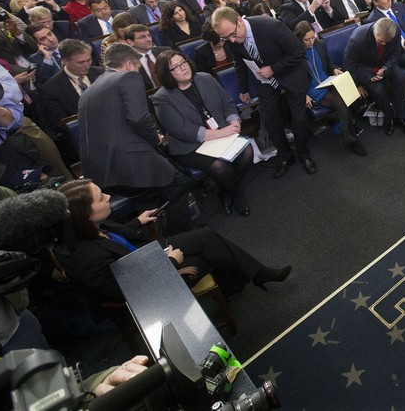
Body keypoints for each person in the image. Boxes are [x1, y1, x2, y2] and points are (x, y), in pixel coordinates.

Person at [57, 179, 291, 303]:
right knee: (203, 255)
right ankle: (245, 280)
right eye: (101, 198)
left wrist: (137, 222)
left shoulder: (93, 225)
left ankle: (251, 277)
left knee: (207, 236)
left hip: (148, 256)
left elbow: (114, 240)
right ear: (85, 214)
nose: (108, 197)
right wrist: (169, 262)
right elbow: (130, 292)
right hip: (152, 281)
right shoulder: (86, 258)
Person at [77, 44, 194, 236]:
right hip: (129, 163)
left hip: (102, 173)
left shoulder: (91, 88)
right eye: (138, 67)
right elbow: (139, 118)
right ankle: (182, 237)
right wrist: (155, 139)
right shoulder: (127, 77)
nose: (138, 71)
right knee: (179, 182)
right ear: (130, 64)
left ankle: (155, 237)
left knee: (150, 193)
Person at [210, 7, 316, 178]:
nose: (232, 40)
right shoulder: (231, 37)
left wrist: (273, 69)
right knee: (268, 118)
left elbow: (298, 51)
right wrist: (243, 89)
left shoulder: (270, 26)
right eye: (226, 37)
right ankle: (285, 156)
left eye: (233, 34)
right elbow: (239, 62)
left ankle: (304, 154)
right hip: (264, 80)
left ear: (239, 21)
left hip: (290, 73)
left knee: (299, 118)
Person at [152, 51, 254, 215]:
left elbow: (227, 103)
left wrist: (234, 120)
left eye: (183, 62)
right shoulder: (162, 98)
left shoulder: (205, 78)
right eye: (176, 67)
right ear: (166, 74)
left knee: (248, 153)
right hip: (190, 145)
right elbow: (181, 129)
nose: (183, 67)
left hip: (222, 131)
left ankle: (225, 189)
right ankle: (236, 193)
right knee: (220, 167)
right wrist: (222, 133)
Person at [297, 21, 367, 156]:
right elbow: (294, 79)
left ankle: (346, 133)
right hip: (312, 89)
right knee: (342, 100)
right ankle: (350, 137)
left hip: (327, 82)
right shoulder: (295, 53)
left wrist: (334, 69)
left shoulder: (319, 44)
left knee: (343, 97)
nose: (311, 42)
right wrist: (303, 94)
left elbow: (329, 65)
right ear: (300, 39)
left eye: (313, 37)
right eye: (307, 39)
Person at [343, 19, 405, 137]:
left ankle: (401, 117)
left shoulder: (395, 30)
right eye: (381, 41)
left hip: (386, 62)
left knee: (400, 78)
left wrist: (385, 68)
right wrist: (357, 85)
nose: (384, 44)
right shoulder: (357, 38)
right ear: (375, 32)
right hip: (365, 66)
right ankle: (389, 119)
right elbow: (349, 64)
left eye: (387, 41)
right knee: (378, 90)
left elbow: (396, 52)